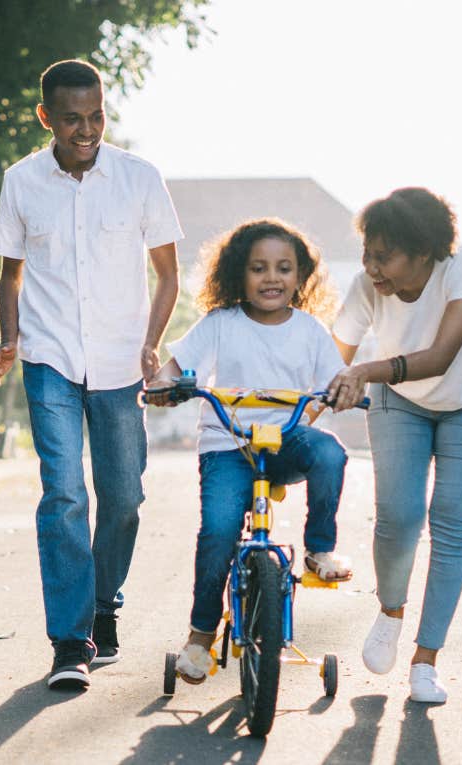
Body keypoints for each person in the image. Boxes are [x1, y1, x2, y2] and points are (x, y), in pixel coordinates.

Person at [0, 59, 183, 690]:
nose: (87, 129)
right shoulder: (21, 182)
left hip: (122, 363)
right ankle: (70, 642)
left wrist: (152, 344)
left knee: (124, 497)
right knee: (65, 493)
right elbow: (10, 274)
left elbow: (168, 274)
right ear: (46, 117)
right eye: (72, 119)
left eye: (96, 116)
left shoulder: (140, 178)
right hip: (50, 360)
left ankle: (104, 606)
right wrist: (10, 340)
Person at [145, 218, 351, 684]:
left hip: (285, 441)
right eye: (259, 268)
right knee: (218, 531)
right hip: (228, 446)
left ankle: (320, 549)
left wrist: (344, 391)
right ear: (239, 274)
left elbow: (335, 380)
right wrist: (163, 384)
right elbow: (177, 367)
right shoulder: (221, 324)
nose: (271, 278)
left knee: (331, 454)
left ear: (300, 277)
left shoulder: (311, 331)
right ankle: (200, 637)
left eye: (283, 268)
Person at [325, 187, 462, 704]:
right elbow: (330, 359)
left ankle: (426, 660)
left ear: (424, 251)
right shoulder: (368, 287)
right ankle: (390, 611)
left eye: (384, 256)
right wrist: (302, 408)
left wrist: (364, 370)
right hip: (399, 402)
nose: (371, 267)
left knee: (452, 522)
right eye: (367, 253)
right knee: (399, 516)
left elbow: (442, 355)